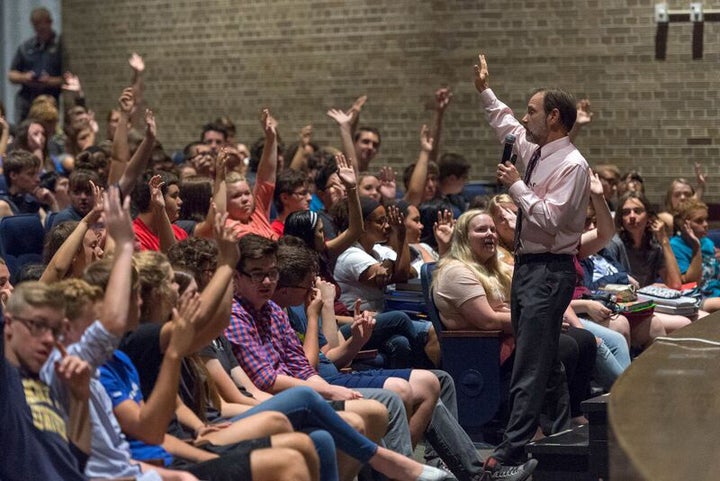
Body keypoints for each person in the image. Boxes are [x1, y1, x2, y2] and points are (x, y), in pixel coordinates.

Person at [474, 52, 590, 472]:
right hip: (528, 267)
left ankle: (513, 445)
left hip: (549, 271)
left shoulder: (572, 165)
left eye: (532, 111)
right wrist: (486, 91)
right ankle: (560, 432)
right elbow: (505, 123)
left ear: (554, 117)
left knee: (529, 362)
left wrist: (517, 186)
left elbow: (550, 218)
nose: (525, 118)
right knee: (541, 357)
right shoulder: (538, 150)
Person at [2, 281, 91, 481]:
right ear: (8, 324)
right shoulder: (7, 380)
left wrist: (81, 398)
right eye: (38, 325)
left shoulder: (48, 383)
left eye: (55, 330)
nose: (49, 339)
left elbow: (79, 459)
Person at [8, 7, 64, 122]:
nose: (40, 29)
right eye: (36, 26)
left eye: (42, 26)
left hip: (50, 99)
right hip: (27, 99)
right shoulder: (26, 47)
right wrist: (25, 77)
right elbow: (11, 75)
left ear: (50, 23)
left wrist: (49, 81)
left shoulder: (61, 47)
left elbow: (68, 78)